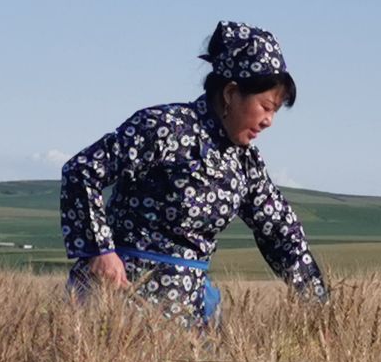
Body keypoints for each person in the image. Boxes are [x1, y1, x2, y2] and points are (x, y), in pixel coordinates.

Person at [60, 20, 328, 330]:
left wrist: (320, 304)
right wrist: (100, 250)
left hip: (189, 317)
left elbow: (281, 233)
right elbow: (82, 170)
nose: (269, 121)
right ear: (230, 93)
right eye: (266, 106)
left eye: (276, 111)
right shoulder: (164, 128)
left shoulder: (245, 163)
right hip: (116, 305)